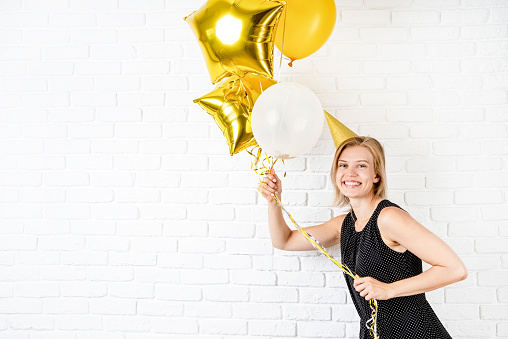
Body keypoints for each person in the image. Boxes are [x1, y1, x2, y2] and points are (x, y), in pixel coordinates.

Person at [257, 136, 467, 339]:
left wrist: (389, 289)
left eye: (361, 166)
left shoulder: (388, 218)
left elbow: (454, 269)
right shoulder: (345, 224)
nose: (350, 173)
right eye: (343, 165)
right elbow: (284, 241)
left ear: (377, 175)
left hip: (415, 332)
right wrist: (273, 201)